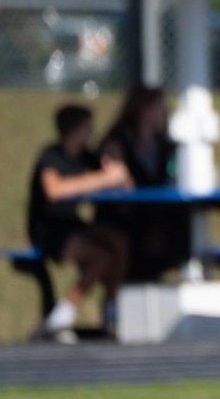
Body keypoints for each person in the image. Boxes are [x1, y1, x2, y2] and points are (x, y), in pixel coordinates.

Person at [30, 105, 132, 342]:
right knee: (101, 256)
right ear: (74, 130)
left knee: (120, 241)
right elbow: (54, 190)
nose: (92, 132)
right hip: (49, 229)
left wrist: (117, 166)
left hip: (74, 225)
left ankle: (112, 311)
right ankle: (63, 314)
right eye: (88, 126)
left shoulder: (87, 157)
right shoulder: (51, 156)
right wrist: (100, 179)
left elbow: (122, 183)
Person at [96, 84, 187, 282]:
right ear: (143, 109)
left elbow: (172, 179)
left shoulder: (165, 146)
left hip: (156, 214)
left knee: (182, 224)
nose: (166, 111)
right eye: (160, 106)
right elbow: (118, 185)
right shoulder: (118, 143)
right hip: (124, 217)